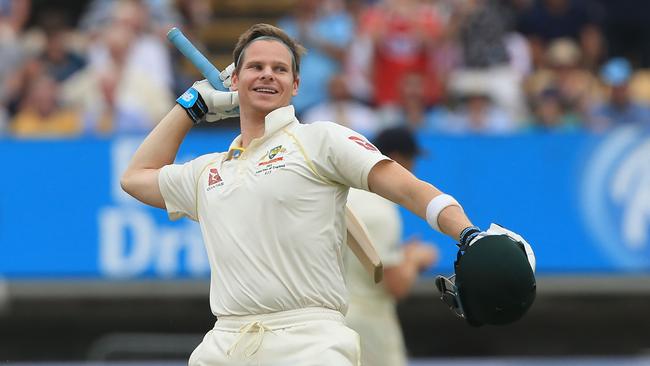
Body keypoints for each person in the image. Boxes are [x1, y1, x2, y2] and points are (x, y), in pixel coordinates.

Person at [121, 23, 533, 365]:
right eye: (256, 67)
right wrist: (190, 105)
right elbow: (136, 177)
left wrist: (467, 233)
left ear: (296, 84)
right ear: (236, 80)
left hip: (309, 342)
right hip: (225, 343)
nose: (267, 75)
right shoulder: (210, 169)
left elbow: (407, 187)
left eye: (280, 69)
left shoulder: (320, 140)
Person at [344, 127, 438, 366]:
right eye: (411, 160)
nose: (413, 169)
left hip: (330, 322)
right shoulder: (381, 210)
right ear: (395, 159)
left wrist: (401, 255)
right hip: (368, 324)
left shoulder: (346, 195)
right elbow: (395, 284)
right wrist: (414, 259)